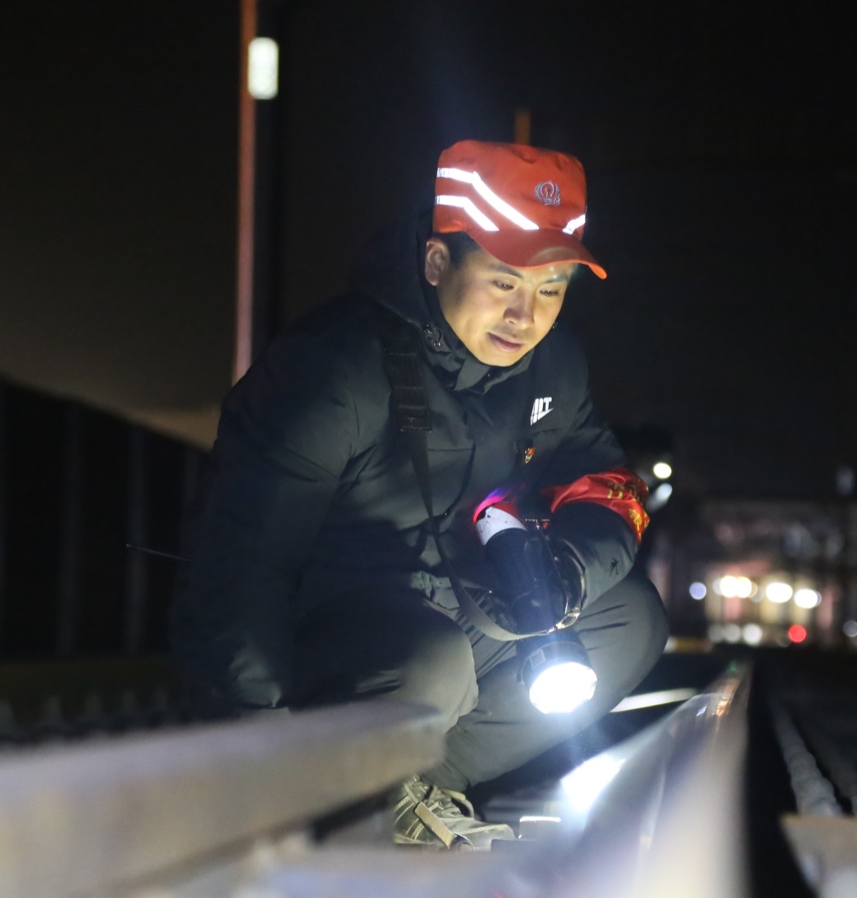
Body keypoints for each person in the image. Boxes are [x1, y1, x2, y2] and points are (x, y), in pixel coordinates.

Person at [171, 140, 668, 849]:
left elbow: (608, 486)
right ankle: (329, 793)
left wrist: (568, 571)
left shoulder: (552, 369)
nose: (524, 316)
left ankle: (416, 788)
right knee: (433, 659)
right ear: (437, 263)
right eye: (503, 282)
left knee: (629, 619)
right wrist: (256, 755)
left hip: (455, 610)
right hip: (330, 637)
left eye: (551, 289)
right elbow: (239, 567)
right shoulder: (334, 371)